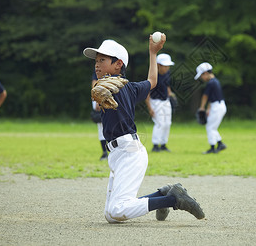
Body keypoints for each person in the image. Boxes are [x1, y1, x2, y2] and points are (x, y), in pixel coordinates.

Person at [83, 38, 204, 223]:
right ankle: (161, 195)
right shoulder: (126, 88)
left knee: (117, 210)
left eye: (102, 60)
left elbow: (150, 82)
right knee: (111, 215)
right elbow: (152, 81)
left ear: (118, 64)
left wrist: (153, 53)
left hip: (129, 152)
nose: (97, 65)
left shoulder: (120, 87)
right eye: (96, 61)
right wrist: (153, 53)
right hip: (117, 154)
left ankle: (174, 199)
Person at [194, 62, 227, 154]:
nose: (201, 78)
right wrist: (208, 108)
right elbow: (213, 97)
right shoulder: (215, 81)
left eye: (201, 75)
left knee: (210, 127)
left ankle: (213, 148)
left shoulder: (211, 83)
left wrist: (201, 108)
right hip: (217, 105)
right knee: (212, 127)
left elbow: (205, 96)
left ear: (206, 73)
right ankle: (220, 144)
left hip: (217, 107)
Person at [145, 53, 175, 152]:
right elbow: (147, 93)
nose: (167, 68)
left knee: (167, 123)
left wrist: (171, 95)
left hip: (165, 101)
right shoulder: (153, 76)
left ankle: (163, 144)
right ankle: (155, 145)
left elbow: (167, 86)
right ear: (158, 65)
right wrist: (150, 108)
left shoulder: (167, 74)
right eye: (165, 66)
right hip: (155, 101)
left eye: (168, 66)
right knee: (159, 123)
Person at [92, 72, 108, 160]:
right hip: (101, 98)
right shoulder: (99, 69)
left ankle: (110, 151)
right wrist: (97, 99)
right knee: (101, 126)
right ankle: (105, 152)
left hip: (111, 98)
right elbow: (94, 83)